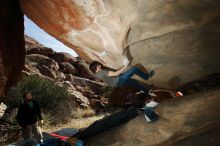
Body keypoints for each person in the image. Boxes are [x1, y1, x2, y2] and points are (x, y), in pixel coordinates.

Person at [89, 60, 155, 95]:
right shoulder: (101, 72)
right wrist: (125, 65)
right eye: (98, 65)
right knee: (135, 69)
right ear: (95, 67)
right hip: (119, 80)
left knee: (134, 83)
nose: (99, 65)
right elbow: (116, 73)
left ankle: (147, 91)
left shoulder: (96, 75)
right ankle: (147, 76)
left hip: (117, 84)